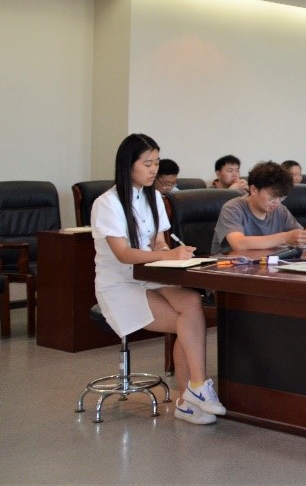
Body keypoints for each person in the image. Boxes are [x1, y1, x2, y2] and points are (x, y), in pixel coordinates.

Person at [92, 133, 226, 425]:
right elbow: (123, 254)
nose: (154, 169)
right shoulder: (107, 203)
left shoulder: (153, 196)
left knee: (191, 302)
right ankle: (191, 396)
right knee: (185, 321)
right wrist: (167, 256)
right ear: (128, 165)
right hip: (119, 284)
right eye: (147, 163)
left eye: (156, 162)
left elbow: (159, 242)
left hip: (149, 276)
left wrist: (169, 252)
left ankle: (195, 390)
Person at [210, 161, 306, 253]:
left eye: (281, 198)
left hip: (265, 266)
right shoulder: (233, 208)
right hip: (228, 268)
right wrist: (285, 237)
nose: (276, 202)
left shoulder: (280, 210)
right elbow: (239, 244)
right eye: (272, 197)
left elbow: (296, 235)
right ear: (253, 190)